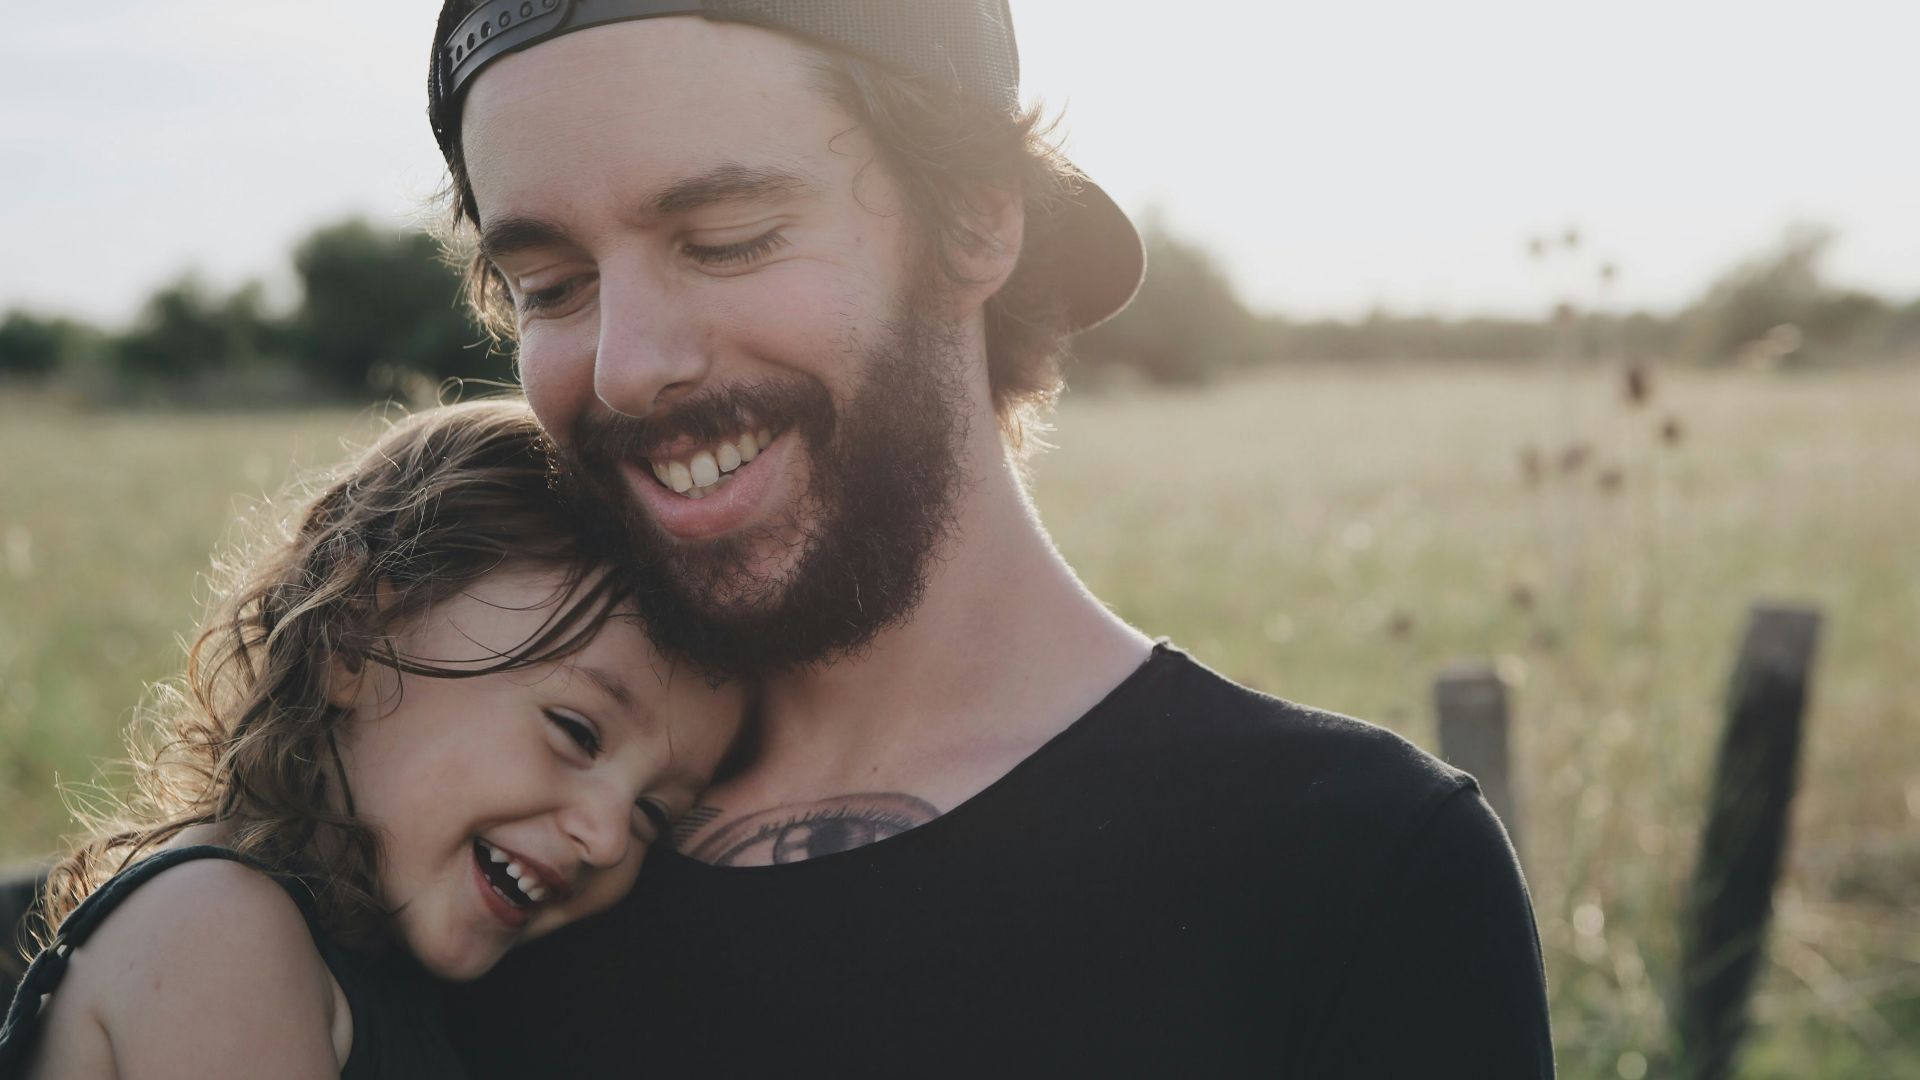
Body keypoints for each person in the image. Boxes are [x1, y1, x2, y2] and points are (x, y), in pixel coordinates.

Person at [429, 2, 1556, 1075]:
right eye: (553, 286)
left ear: (974, 223)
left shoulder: (1354, 873)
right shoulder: (475, 849)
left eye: (726, 240)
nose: (627, 367)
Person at [0, 401, 745, 1078]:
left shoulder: (382, 972)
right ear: (353, 637)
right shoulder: (214, 929)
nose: (609, 837)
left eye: (654, 813)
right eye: (577, 733)